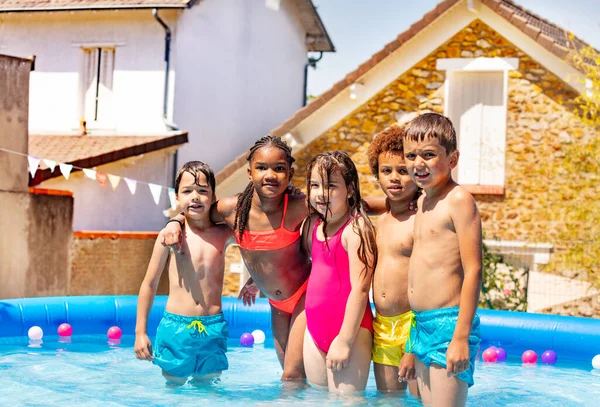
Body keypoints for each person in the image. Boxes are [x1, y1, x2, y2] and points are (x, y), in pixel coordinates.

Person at [161, 136, 311, 380]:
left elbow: (344, 206)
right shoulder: (233, 209)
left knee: (291, 375)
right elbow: (194, 209)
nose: (270, 174)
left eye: (279, 169)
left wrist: (393, 205)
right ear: (249, 173)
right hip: (276, 304)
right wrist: (175, 221)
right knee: (291, 372)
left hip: (305, 293)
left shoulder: (297, 206)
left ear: (290, 174)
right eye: (262, 168)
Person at [403, 113, 482, 407]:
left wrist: (460, 336)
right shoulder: (423, 200)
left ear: (453, 158)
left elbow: (473, 270)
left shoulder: (459, 200)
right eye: (411, 155)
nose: (417, 163)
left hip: (449, 324)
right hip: (421, 324)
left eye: (429, 155)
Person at [134, 161, 233, 386]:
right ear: (177, 198)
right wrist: (140, 332)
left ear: (214, 196)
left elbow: (255, 237)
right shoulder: (169, 236)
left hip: (213, 326)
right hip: (175, 327)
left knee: (208, 388)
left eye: (203, 191)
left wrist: (254, 280)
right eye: (187, 191)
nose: (195, 197)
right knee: (174, 388)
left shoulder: (223, 234)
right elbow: (149, 284)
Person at [301, 151, 377, 392]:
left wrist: (344, 340)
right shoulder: (314, 226)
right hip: (314, 332)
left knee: (346, 402)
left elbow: (361, 288)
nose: (321, 193)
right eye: (315, 185)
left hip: (350, 333)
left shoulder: (356, 229)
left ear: (350, 190)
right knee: (316, 398)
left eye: (331, 186)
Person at [366, 124, 420, 394]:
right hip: (383, 323)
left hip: (413, 323)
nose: (394, 178)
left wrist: (413, 345)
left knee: (420, 399)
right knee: (387, 400)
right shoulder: (382, 218)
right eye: (386, 171)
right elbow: (354, 202)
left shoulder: (421, 218)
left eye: (403, 170)